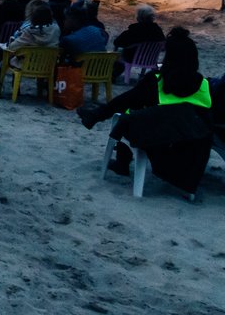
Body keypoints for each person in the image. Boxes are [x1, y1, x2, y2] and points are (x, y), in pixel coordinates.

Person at [80, 28, 225, 192]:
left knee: (130, 108)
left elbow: (125, 101)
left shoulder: (156, 81)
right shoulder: (204, 86)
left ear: (168, 57)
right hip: (191, 151)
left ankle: (104, 128)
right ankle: (98, 118)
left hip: (160, 143)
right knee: (139, 108)